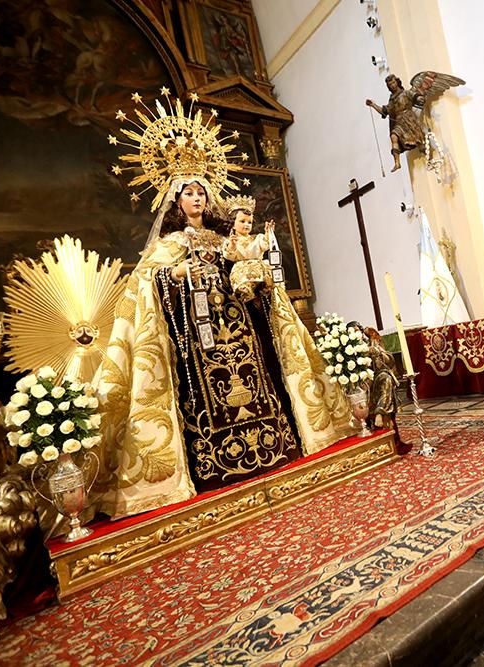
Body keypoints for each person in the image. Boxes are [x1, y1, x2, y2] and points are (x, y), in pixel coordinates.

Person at [96, 93, 354, 517]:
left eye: (202, 191)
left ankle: (273, 443)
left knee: (257, 384)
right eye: (189, 193)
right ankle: (215, 466)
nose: (197, 199)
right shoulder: (169, 244)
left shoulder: (226, 238)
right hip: (198, 343)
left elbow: (253, 272)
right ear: (175, 200)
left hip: (242, 333)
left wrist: (256, 278)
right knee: (209, 395)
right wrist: (176, 275)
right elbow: (148, 289)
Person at [366, 74, 425, 172]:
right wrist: (372, 105)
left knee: (417, 137)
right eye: (390, 84)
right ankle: (397, 162)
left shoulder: (405, 93)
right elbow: (385, 111)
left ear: (397, 82)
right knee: (393, 136)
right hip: (399, 122)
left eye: (393, 82)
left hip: (408, 119)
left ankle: (421, 146)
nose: (392, 85)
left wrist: (419, 98)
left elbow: (414, 96)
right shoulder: (392, 100)